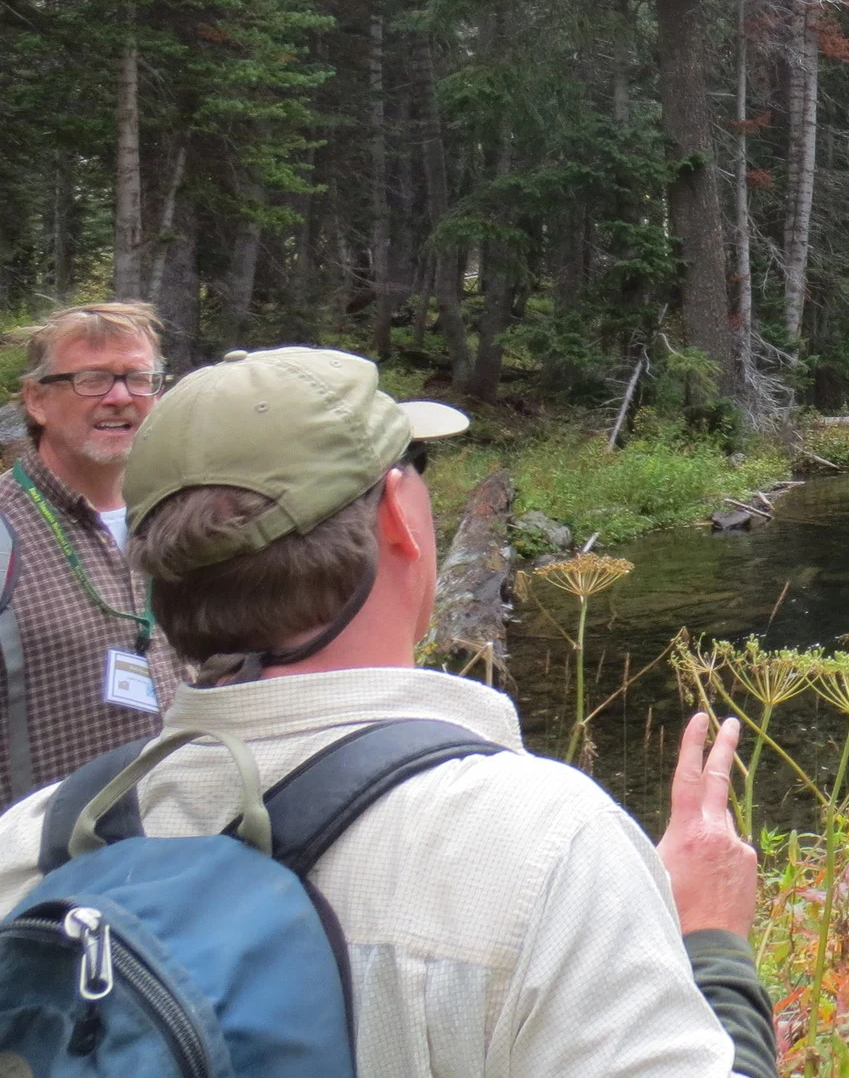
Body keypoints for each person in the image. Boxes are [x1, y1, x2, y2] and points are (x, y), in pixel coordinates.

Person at [0, 346, 776, 1078]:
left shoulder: (32, 839)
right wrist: (711, 944)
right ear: (398, 515)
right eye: (417, 467)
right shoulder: (545, 844)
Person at [0, 300, 186, 806]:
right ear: (37, 400)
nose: (120, 397)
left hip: (180, 838)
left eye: (139, 379)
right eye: (92, 379)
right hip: (41, 848)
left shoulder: (182, 521)